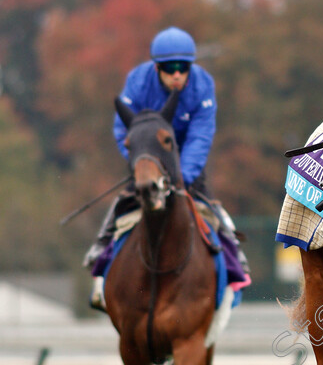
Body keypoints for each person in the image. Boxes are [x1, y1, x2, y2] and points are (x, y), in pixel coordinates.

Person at [83, 27, 249, 276]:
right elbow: (123, 129)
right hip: (148, 157)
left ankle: (234, 250)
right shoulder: (137, 83)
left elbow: (200, 136)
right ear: (157, 68)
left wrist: (181, 174)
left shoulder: (203, 85)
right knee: (126, 199)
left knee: (209, 203)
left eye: (183, 68)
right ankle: (102, 243)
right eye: (170, 69)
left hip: (185, 160)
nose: (177, 75)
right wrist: (141, 164)